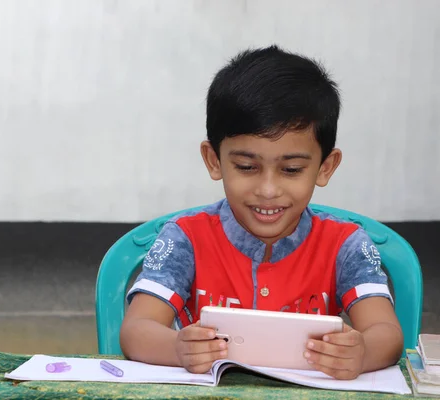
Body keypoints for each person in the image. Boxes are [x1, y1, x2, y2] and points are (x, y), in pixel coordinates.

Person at [120, 45, 403, 380]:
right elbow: (137, 330)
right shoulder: (187, 238)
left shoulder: (345, 245)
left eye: (292, 169)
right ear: (214, 161)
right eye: (246, 166)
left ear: (326, 168)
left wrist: (361, 352)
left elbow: (387, 333)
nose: (268, 190)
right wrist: (177, 349)